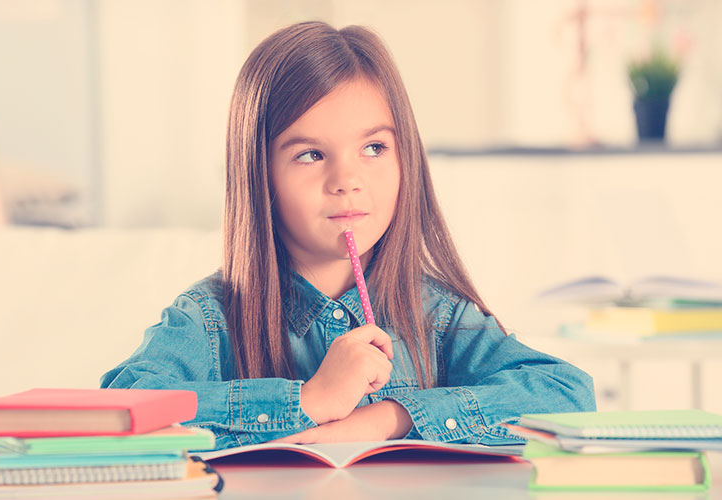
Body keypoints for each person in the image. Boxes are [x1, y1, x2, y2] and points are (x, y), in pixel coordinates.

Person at [100, 21, 595, 449]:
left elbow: (568, 395)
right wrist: (309, 401)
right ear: (260, 177)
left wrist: (391, 419)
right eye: (311, 155)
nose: (347, 179)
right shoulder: (211, 319)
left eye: (374, 148)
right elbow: (120, 412)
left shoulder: (436, 316)